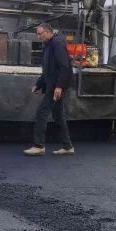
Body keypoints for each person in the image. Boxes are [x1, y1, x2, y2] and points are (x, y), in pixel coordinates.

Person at [24, 23, 75, 156]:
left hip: (55, 86)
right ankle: (68, 147)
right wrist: (38, 84)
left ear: (48, 32)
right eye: (38, 34)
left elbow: (64, 67)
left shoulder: (56, 44)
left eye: (40, 34)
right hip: (53, 85)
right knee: (58, 116)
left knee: (42, 112)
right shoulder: (49, 45)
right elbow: (48, 69)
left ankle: (39, 146)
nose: (38, 36)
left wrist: (59, 87)